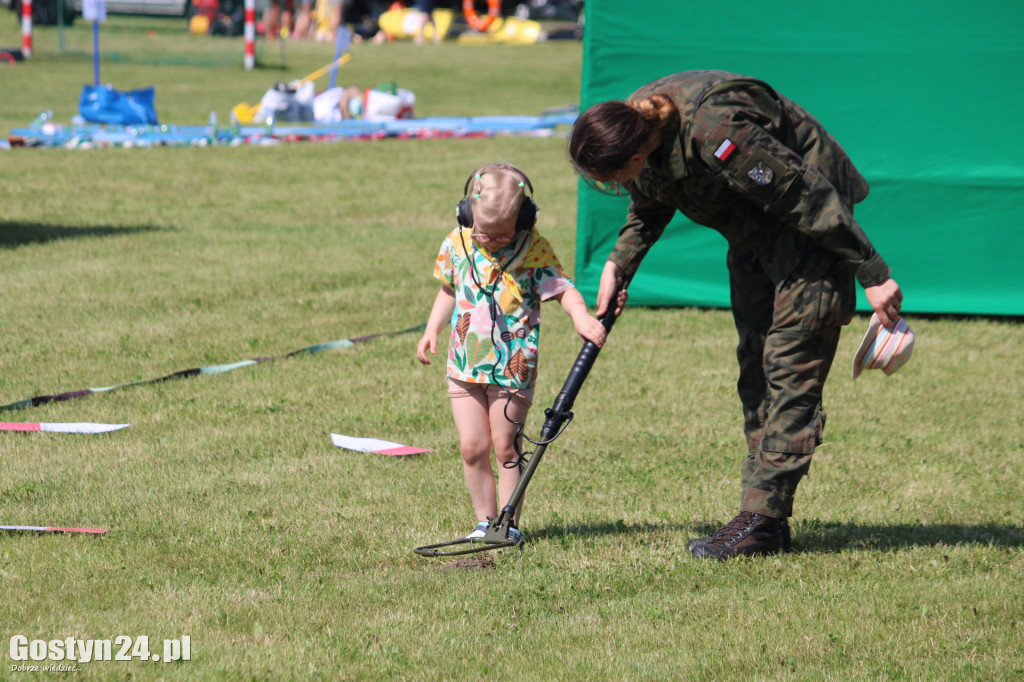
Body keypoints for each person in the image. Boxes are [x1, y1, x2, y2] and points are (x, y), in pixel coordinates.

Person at [568, 70, 905, 559]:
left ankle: (762, 520)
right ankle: (763, 516)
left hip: (813, 230)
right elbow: (650, 201)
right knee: (756, 364)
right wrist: (620, 263)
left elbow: (804, 194)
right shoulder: (635, 123)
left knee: (791, 368)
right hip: (754, 232)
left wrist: (873, 272)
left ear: (636, 154)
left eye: (611, 175)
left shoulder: (715, 131)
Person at [417, 163, 607, 543]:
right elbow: (449, 290)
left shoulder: (533, 247)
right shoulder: (457, 242)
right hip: (464, 364)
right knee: (473, 447)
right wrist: (431, 330)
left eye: (504, 235)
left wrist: (581, 316)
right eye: (484, 233)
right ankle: (484, 523)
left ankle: (508, 525)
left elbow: (563, 289)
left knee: (506, 446)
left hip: (513, 368)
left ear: (525, 219)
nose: (492, 241)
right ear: (467, 214)